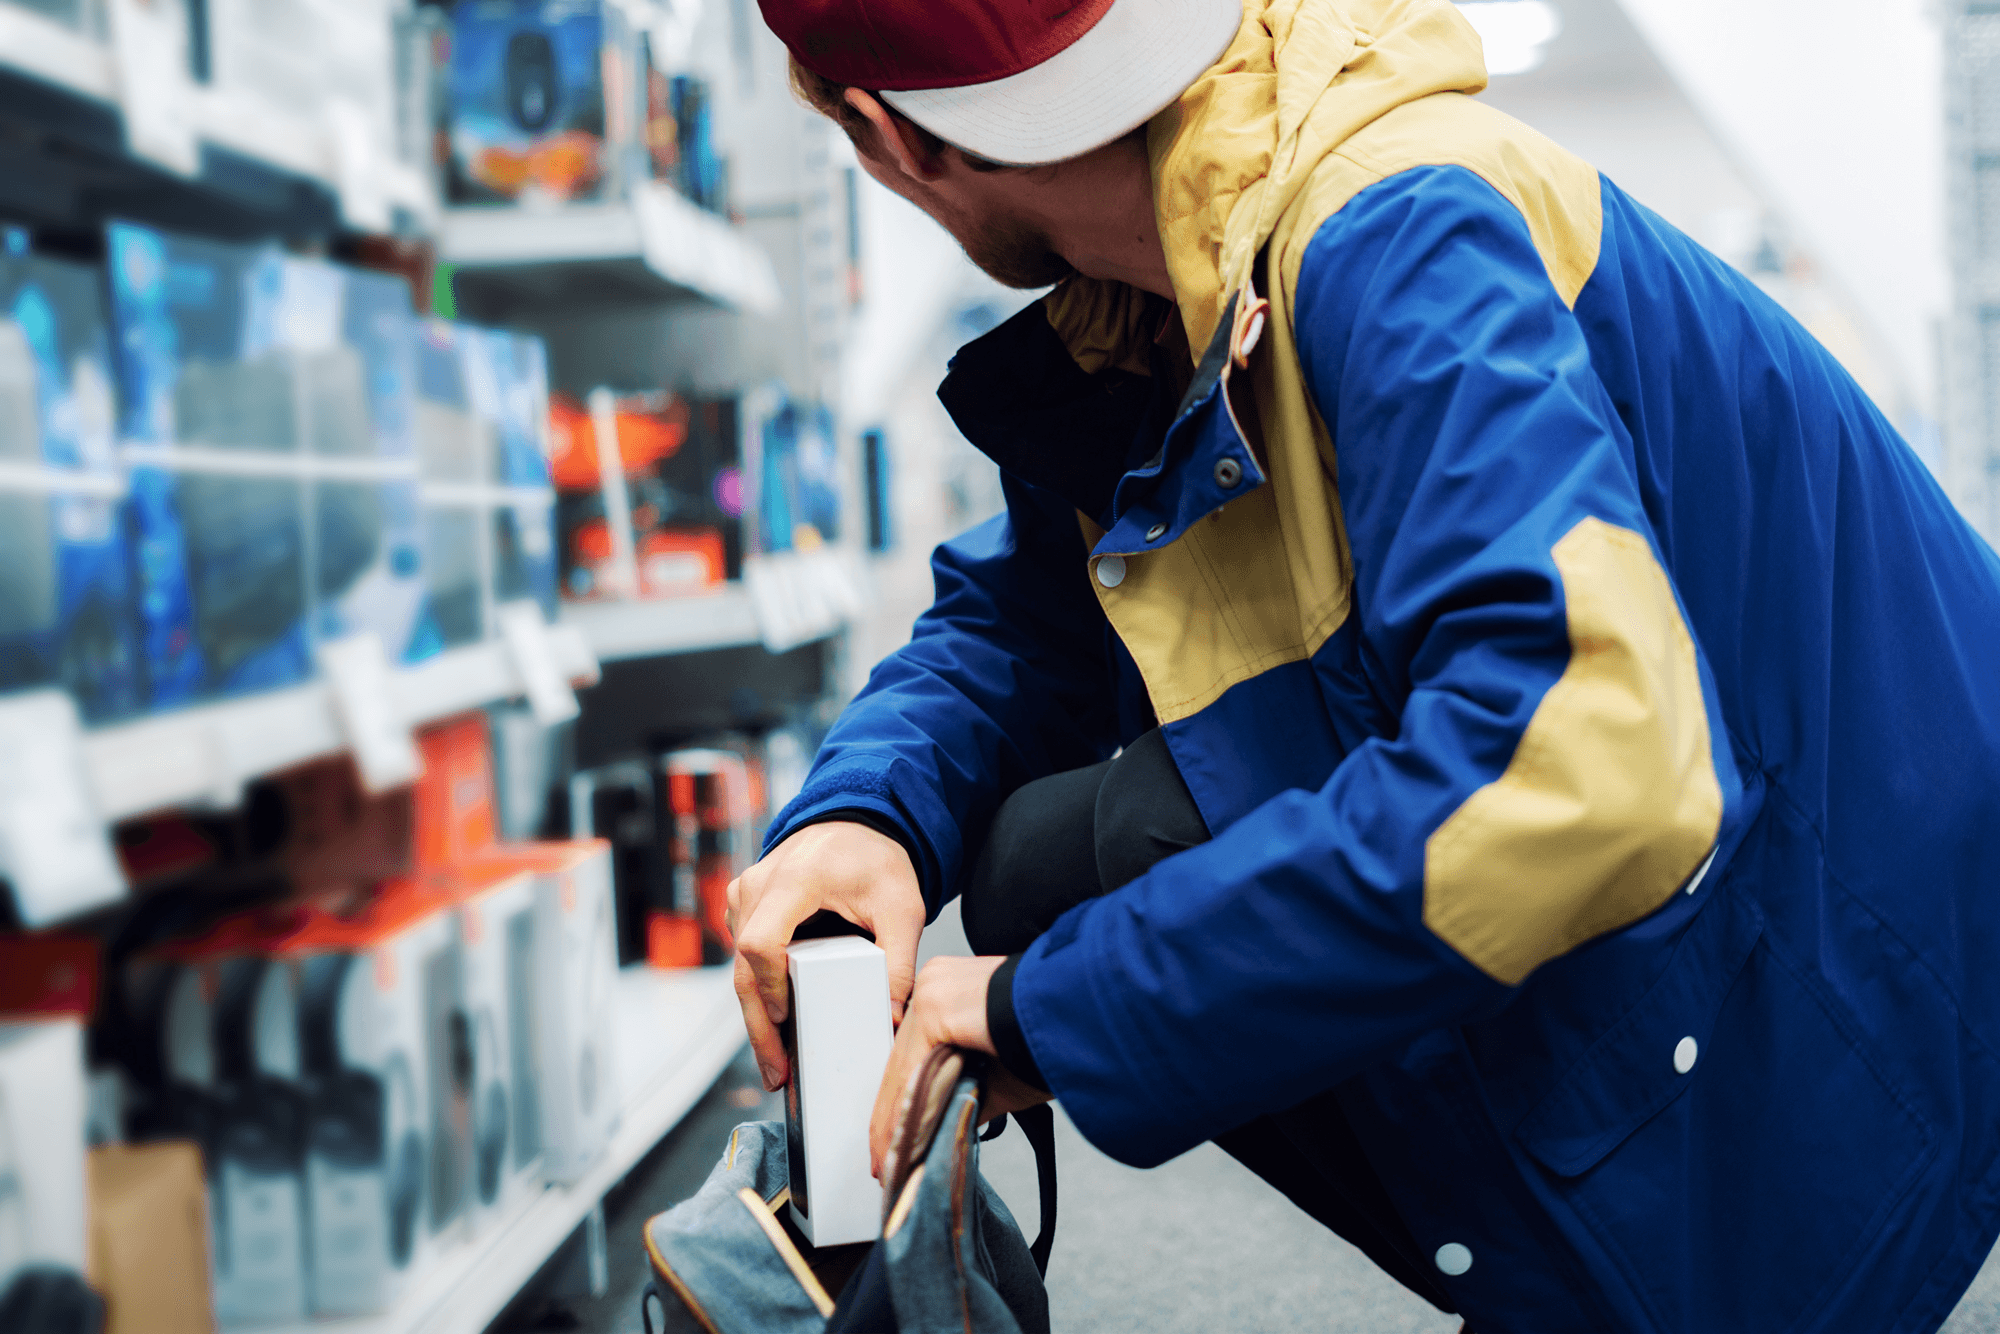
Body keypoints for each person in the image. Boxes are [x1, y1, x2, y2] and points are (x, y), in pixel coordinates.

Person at [726, 0, 2000, 1328]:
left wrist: (1056, 1010)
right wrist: (863, 814)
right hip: (1762, 886)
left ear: (881, 137)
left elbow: (1583, 768)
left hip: (1882, 943)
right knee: (1049, 853)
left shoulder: (1396, 230)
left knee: (1099, 867)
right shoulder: (1168, 274)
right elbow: (1028, 613)